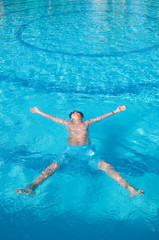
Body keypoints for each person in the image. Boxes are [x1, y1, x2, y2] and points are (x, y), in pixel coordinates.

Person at [16, 106, 144, 197]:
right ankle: (31, 187)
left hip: (88, 150)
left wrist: (115, 111)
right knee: (52, 167)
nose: (75, 112)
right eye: (73, 112)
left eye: (78, 112)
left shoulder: (86, 123)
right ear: (71, 117)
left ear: (81, 116)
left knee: (107, 167)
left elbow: (100, 118)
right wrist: (39, 112)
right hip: (70, 151)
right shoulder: (67, 123)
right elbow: (52, 118)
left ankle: (130, 189)